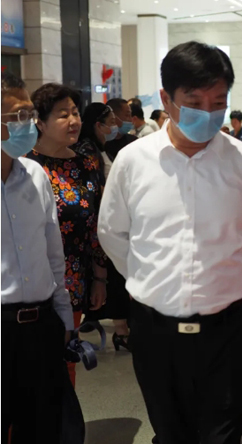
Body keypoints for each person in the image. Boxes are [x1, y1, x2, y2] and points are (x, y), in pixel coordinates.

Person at [98, 41, 242, 444]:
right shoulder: (133, 161)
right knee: (169, 431)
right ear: (167, 99)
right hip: (155, 328)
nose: (209, 113)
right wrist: (151, 278)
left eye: (219, 103)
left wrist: (235, 278)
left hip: (227, 326)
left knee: (223, 432)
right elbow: (113, 233)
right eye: (195, 103)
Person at [1, 72, 74, 444]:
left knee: (43, 428)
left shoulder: (35, 174)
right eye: (17, 116)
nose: (27, 124)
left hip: (41, 326)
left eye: (30, 114)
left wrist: (63, 316)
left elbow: (52, 252)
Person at [27, 83, 107, 385]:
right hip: (30, 280)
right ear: (40, 122)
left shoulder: (85, 164)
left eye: (75, 113)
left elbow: (95, 224)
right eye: (63, 115)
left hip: (73, 280)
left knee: (66, 359)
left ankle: (65, 416)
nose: (73, 121)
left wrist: (100, 277)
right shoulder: (23, 166)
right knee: (30, 362)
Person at [76, 103, 131, 351]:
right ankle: (121, 331)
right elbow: (96, 191)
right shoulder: (87, 151)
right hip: (99, 225)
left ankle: (121, 330)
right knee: (113, 280)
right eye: (111, 122)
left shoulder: (99, 149)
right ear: (98, 125)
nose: (115, 126)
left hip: (108, 220)